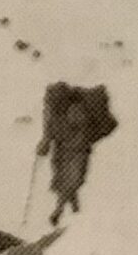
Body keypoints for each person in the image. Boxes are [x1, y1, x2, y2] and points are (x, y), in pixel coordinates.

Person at [40, 83, 115, 225]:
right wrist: (45, 143)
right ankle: (75, 211)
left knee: (70, 182)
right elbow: (49, 131)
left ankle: (59, 211)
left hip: (76, 151)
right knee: (66, 183)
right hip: (63, 150)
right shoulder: (51, 112)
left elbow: (83, 132)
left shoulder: (75, 110)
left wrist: (49, 142)